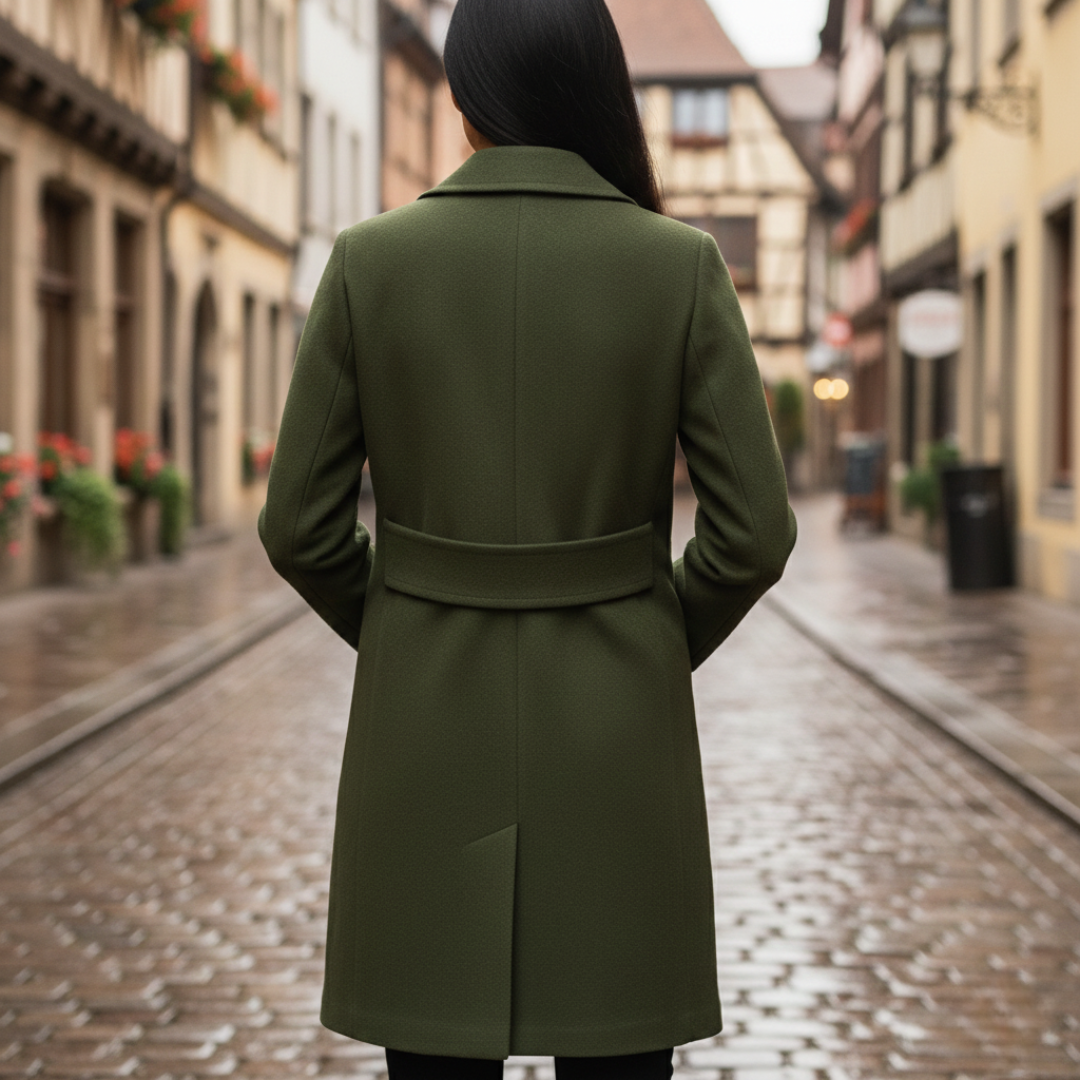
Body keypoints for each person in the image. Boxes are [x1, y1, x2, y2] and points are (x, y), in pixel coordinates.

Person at [259, 0, 797, 1075]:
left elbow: (298, 526)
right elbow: (754, 534)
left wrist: (410, 624)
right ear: (599, 91)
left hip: (426, 720)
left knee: (433, 1048)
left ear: (465, 104)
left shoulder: (369, 261)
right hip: (617, 727)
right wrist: (647, 639)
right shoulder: (679, 265)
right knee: (619, 1042)